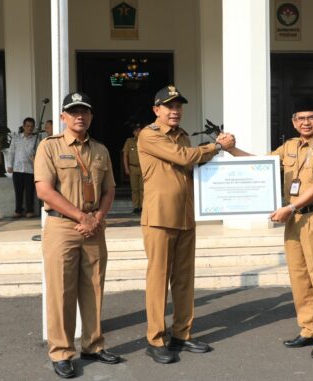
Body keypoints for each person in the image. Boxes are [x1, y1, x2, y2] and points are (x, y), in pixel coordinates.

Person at [224, 98, 313, 359]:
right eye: (300, 118)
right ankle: (308, 328)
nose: (305, 122)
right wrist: (233, 150)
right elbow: (261, 166)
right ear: (293, 122)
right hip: (294, 219)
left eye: (311, 117)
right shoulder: (290, 147)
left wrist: (290, 207)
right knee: (299, 276)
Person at [138, 85, 234, 364]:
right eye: (169, 106)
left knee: (184, 280)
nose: (175, 111)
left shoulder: (182, 135)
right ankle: (155, 339)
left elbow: (194, 165)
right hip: (158, 218)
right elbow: (183, 158)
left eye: (179, 106)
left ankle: (182, 333)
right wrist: (217, 146)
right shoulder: (149, 135)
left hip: (184, 215)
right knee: (158, 281)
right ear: (156, 110)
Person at [34, 92, 121, 378]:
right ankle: (61, 351)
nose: (79, 116)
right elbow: (44, 191)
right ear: (63, 117)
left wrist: (96, 217)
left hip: (94, 226)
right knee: (61, 291)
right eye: (73, 112)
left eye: (84, 111)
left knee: (94, 287)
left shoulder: (100, 150)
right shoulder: (49, 147)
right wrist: (81, 216)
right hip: (62, 228)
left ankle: (93, 345)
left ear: (91, 116)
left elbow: (109, 190)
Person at [7, 117, 37, 218]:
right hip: (17, 168)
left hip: (30, 169)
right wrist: (9, 165)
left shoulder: (36, 139)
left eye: (31, 126)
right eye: (27, 126)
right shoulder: (16, 139)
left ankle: (30, 210)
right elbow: (11, 152)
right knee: (18, 191)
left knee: (30, 191)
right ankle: (18, 211)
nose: (29, 128)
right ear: (23, 127)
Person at [122, 122, 143, 214]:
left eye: (139, 130)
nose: (137, 132)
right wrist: (126, 168)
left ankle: (143, 206)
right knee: (134, 189)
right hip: (133, 168)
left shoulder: (145, 141)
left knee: (143, 189)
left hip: (143, 168)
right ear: (133, 132)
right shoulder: (129, 141)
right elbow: (125, 155)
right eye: (136, 131)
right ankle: (136, 207)